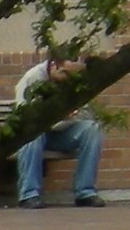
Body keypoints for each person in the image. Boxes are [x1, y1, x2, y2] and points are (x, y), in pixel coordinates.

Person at [11, 55, 103, 207]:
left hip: (62, 133)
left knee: (93, 129)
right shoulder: (32, 78)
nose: (69, 78)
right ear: (54, 65)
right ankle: (29, 194)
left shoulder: (75, 83)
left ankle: (85, 192)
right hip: (38, 132)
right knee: (32, 133)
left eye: (73, 75)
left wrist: (75, 114)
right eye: (65, 73)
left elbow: (88, 114)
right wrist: (55, 115)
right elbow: (24, 116)